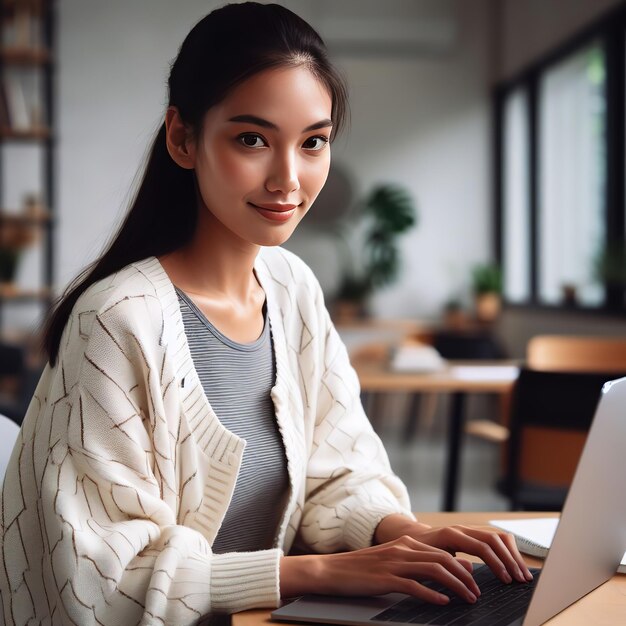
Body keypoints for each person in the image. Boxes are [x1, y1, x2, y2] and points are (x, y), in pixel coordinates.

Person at [0, 3, 532, 624]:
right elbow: (99, 578)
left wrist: (400, 533)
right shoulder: (117, 320)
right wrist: (317, 572)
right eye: (252, 139)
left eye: (313, 143)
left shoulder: (292, 287)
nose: (288, 178)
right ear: (183, 138)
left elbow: (341, 468)